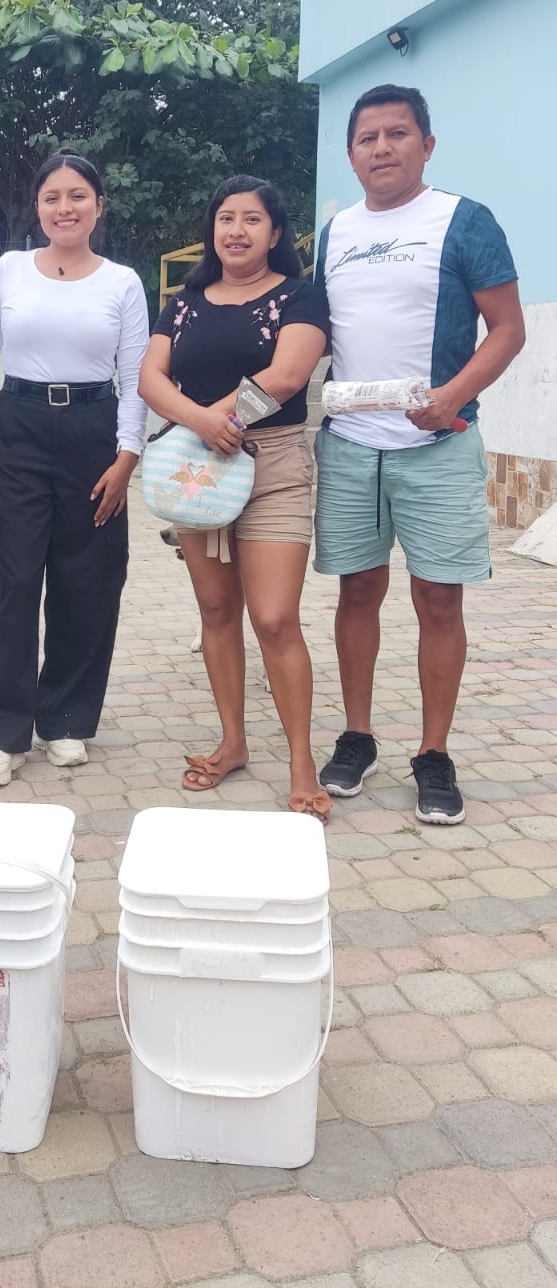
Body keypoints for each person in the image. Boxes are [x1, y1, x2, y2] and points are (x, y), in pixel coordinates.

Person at [313, 84, 525, 825]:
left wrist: (453, 394)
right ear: (351, 154)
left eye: (397, 134)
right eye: (367, 138)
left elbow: (508, 329)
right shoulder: (334, 234)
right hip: (350, 447)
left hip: (437, 444)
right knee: (357, 592)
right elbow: (313, 334)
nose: (382, 148)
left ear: (426, 145)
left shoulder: (464, 221)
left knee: (438, 600)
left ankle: (434, 753)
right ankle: (357, 736)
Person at [138, 175, 330, 818]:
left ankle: (301, 762)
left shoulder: (300, 296)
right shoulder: (185, 302)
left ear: (275, 234)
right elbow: (150, 378)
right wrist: (201, 422)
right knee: (217, 610)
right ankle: (233, 742)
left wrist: (219, 418)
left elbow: (287, 375)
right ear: (211, 230)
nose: (237, 230)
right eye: (226, 218)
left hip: (271, 462)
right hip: (199, 464)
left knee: (274, 618)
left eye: (252, 219)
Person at [0, 150, 149, 785]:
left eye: (78, 196)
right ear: (38, 207)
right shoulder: (11, 270)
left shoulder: (123, 283)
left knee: (88, 579)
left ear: (99, 206)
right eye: (52, 197)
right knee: (14, 578)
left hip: (94, 430)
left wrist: (127, 457)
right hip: (18, 426)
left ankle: (67, 719)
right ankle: (1, 733)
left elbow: (136, 377)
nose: (64, 208)